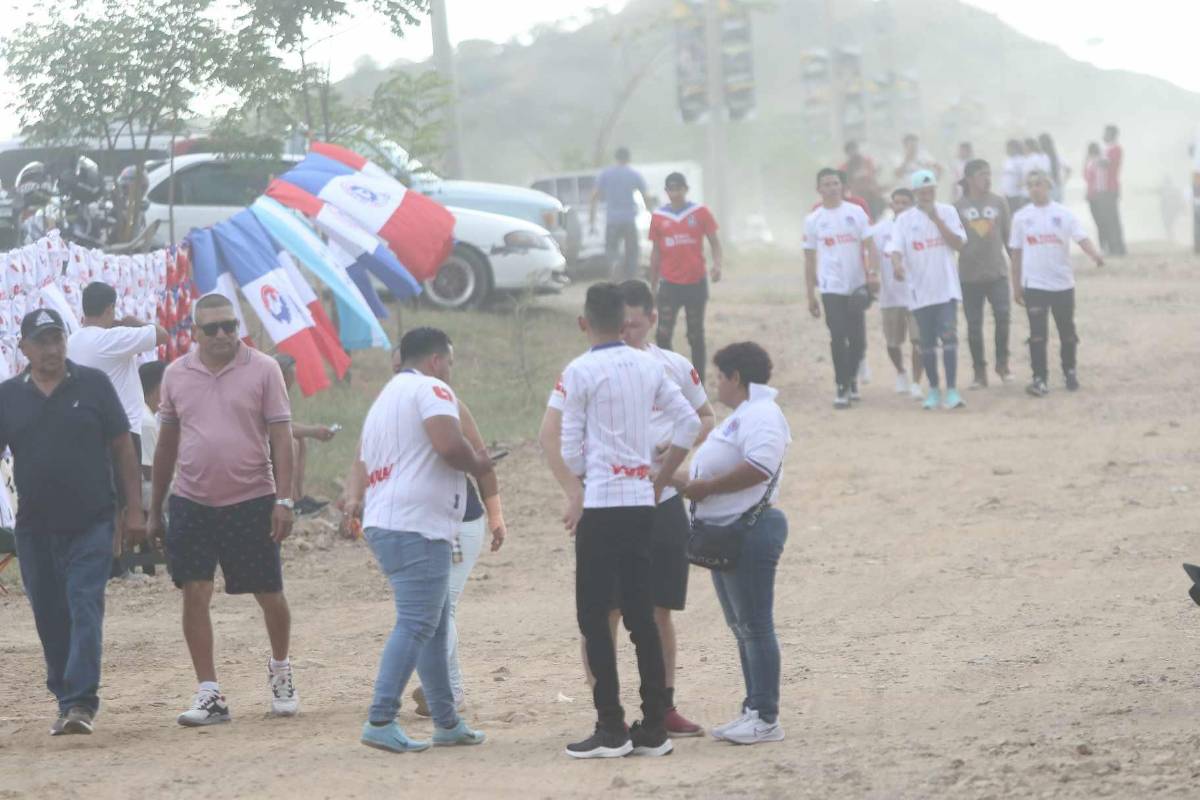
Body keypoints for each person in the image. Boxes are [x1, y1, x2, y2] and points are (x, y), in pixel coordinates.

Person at [538, 279, 715, 739]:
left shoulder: (634, 366)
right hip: (640, 498)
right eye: (627, 323)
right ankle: (644, 721)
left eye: (640, 323)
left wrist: (591, 478)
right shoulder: (631, 368)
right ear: (621, 321)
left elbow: (567, 443)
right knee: (629, 613)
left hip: (622, 501)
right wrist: (649, 475)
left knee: (625, 611)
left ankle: (620, 722)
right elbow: (552, 434)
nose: (633, 329)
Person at [148, 293, 300, 727]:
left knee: (268, 592)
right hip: (192, 500)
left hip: (251, 499)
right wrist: (155, 507)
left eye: (230, 326)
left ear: (239, 328)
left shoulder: (265, 369)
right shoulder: (176, 374)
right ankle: (209, 692)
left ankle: (281, 669)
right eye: (212, 327)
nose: (222, 335)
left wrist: (284, 499)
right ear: (194, 332)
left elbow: (282, 438)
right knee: (194, 591)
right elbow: (166, 445)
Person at [340, 327, 491, 753]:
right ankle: (381, 717)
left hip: (391, 521)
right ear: (438, 360)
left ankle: (446, 721)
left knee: (434, 623)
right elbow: (448, 444)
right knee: (418, 622)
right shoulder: (432, 389)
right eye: (451, 363)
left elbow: (364, 462)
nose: (450, 372)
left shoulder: (384, 401)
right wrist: (477, 461)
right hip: (416, 525)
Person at [2, 309, 144, 736]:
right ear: (24, 348)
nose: (51, 349)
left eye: (56, 339)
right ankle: (64, 693)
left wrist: (133, 510)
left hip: (92, 520)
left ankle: (80, 701)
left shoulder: (93, 385)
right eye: (41, 341)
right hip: (34, 527)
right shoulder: (8, 396)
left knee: (84, 603)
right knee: (49, 612)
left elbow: (122, 447)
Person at [381, 346, 509, 719]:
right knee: (434, 609)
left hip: (458, 520)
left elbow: (483, 464)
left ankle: (449, 691)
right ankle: (445, 688)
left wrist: (496, 514)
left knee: (438, 608)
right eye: (394, 369)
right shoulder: (388, 410)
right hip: (413, 523)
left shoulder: (450, 405)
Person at [677, 341, 790, 745]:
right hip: (728, 531)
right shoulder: (742, 416)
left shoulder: (762, 414)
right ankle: (753, 707)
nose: (716, 385)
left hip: (750, 531)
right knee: (742, 626)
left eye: (719, 377)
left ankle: (766, 715)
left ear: (736, 378)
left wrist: (708, 487)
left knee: (756, 625)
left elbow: (760, 466)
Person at [67, 281, 167, 572]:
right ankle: (116, 563)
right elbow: (161, 335)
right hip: (124, 428)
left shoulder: (73, 341)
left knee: (100, 498)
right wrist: (133, 322)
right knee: (122, 502)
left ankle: (103, 561)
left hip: (86, 430)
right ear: (110, 308)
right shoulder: (114, 338)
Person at [1009, 171, 1105, 397]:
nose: (1034, 189)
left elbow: (1081, 237)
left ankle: (1069, 371)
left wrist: (1095, 255)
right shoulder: (1021, 217)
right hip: (1035, 285)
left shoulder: (1063, 214)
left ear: (1048, 186)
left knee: (1067, 331)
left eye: (1039, 184)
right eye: (1030, 185)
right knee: (1037, 334)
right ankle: (1039, 378)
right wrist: (1016, 285)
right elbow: (1016, 253)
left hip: (1062, 283)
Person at [886, 169, 968, 410]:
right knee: (927, 343)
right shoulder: (904, 220)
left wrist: (937, 220)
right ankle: (933, 389)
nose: (926, 195)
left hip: (946, 289)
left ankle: (952, 390)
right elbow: (895, 249)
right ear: (915, 194)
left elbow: (958, 244)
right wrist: (898, 265)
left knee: (949, 338)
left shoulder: (948, 211)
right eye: (921, 192)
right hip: (919, 292)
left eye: (930, 191)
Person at [804, 167, 879, 409]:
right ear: (818, 189)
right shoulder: (814, 220)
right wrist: (810, 295)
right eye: (826, 184)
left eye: (835, 183)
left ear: (842, 186)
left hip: (856, 284)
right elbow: (809, 259)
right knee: (837, 336)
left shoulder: (856, 212)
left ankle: (851, 378)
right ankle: (841, 386)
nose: (831, 188)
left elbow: (871, 246)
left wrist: (873, 274)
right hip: (830, 286)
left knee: (858, 341)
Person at [649, 172, 723, 384]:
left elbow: (715, 243)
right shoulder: (659, 217)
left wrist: (717, 265)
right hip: (669, 284)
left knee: (695, 335)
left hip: (695, 283)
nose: (675, 193)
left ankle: (698, 384)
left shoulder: (700, 212)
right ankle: (670, 380)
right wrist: (652, 285)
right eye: (671, 189)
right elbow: (655, 252)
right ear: (666, 192)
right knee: (662, 335)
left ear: (686, 189)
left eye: (679, 188)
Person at [955, 159, 1013, 388]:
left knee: (1003, 317)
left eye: (989, 174)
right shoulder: (957, 207)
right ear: (969, 179)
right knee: (973, 325)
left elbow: (1009, 237)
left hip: (997, 272)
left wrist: (1018, 268)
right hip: (969, 276)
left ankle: (1003, 363)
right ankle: (979, 371)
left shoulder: (999, 202)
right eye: (982, 175)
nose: (987, 179)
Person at [869, 188, 924, 399]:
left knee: (919, 341)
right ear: (891, 205)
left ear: (913, 205)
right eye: (897, 202)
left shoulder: (920, 227)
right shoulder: (879, 230)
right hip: (890, 295)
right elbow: (873, 256)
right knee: (893, 342)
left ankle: (917, 382)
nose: (900, 206)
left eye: (905, 203)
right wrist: (872, 275)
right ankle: (901, 371)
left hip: (917, 296)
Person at [273, 353, 338, 515]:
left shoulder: (279, 395)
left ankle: (299, 496)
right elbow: (275, 428)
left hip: (272, 436)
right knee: (291, 443)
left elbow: (286, 424)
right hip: (258, 441)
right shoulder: (264, 393)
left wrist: (313, 430)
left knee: (301, 440)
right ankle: (291, 498)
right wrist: (313, 431)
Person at [590, 146, 650, 281]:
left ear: (615, 158)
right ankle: (631, 277)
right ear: (628, 159)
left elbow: (594, 196)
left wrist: (592, 219)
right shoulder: (634, 174)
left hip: (612, 219)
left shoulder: (605, 174)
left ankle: (614, 264)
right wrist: (650, 213)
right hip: (629, 219)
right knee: (632, 252)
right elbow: (646, 196)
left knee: (611, 249)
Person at [1101, 124, 1127, 256]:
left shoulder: (1115, 149)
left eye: (1106, 133)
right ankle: (1112, 246)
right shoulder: (1107, 149)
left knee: (1112, 219)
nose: (1103, 135)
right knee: (1108, 218)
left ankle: (1118, 248)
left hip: (1111, 187)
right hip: (1105, 188)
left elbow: (1108, 165)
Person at [1083, 142, 1111, 252]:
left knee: (1100, 222)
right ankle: (1104, 245)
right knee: (1100, 222)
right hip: (1094, 195)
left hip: (1096, 195)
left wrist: (1098, 193)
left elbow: (1098, 181)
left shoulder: (1095, 162)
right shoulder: (1092, 162)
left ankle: (1104, 245)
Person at [1038, 133, 1068, 202]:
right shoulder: (1056, 157)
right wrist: (1064, 181)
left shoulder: (1041, 157)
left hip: (1047, 189)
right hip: (1058, 187)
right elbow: (1068, 170)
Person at [1001, 139, 1027, 213]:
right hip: (1006, 194)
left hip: (1016, 194)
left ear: (1015, 149)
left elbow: (1025, 175)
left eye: (1009, 148)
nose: (1007, 150)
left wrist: (1021, 183)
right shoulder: (1007, 160)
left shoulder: (1021, 160)